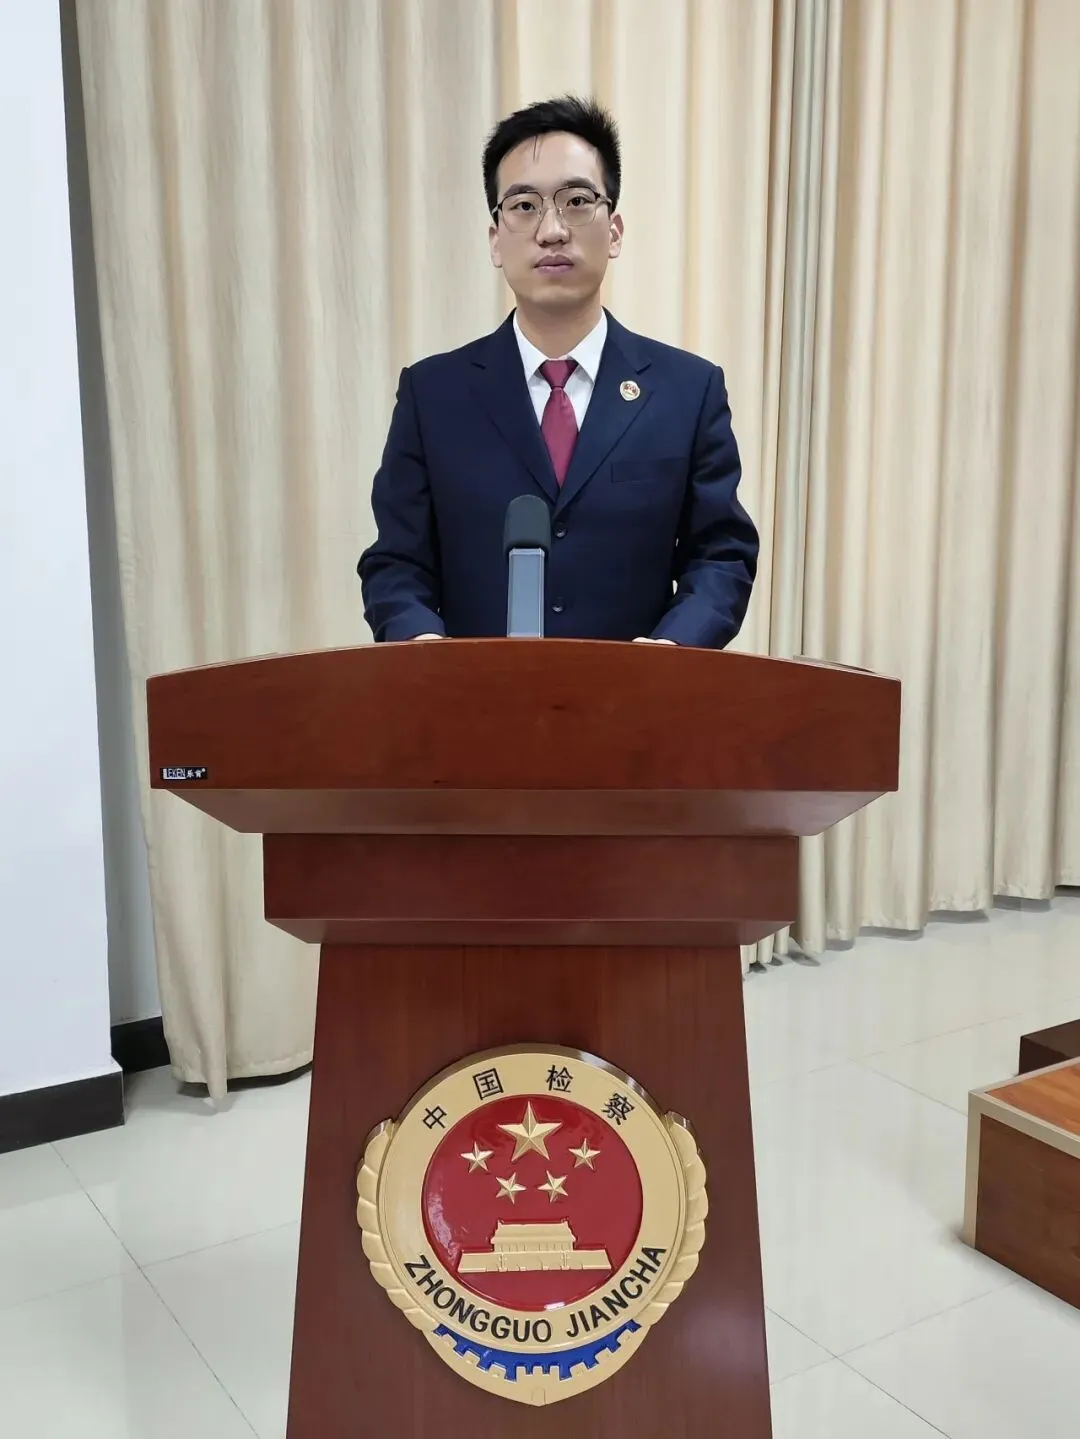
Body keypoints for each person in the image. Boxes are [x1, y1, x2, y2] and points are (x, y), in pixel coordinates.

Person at [358, 95, 758, 648]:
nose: (552, 230)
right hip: (470, 695)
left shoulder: (687, 392)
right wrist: (424, 649)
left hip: (638, 694)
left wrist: (671, 653)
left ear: (614, 231)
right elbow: (396, 562)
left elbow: (721, 555)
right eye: (524, 205)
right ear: (495, 240)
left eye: (576, 201)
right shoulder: (433, 395)